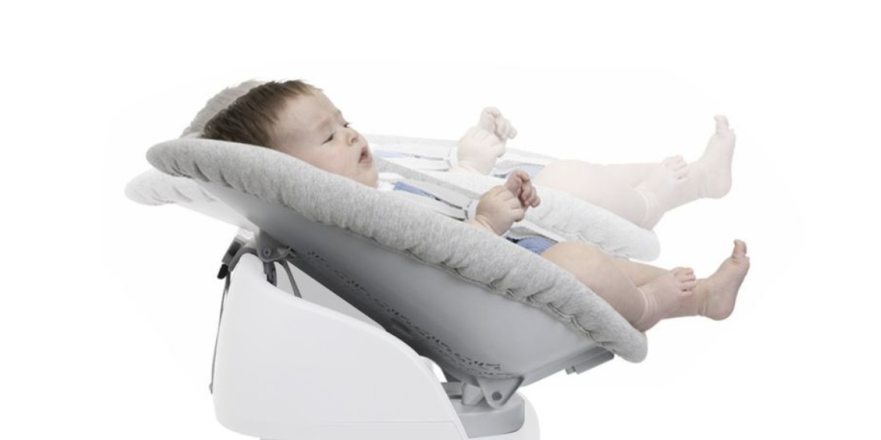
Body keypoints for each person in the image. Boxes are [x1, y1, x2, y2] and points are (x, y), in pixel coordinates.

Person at [197, 80, 749, 334]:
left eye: (344, 121)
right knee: (585, 264)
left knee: (608, 263)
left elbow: (446, 221)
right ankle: (646, 309)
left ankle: (703, 297)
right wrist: (485, 221)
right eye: (327, 137)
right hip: (504, 292)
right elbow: (435, 269)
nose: (351, 135)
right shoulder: (357, 227)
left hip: (522, 253)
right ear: (291, 178)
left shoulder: (377, 196)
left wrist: (500, 197)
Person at [400, 105, 737, 231]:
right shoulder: (381, 210)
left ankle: (700, 180)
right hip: (517, 228)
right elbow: (442, 235)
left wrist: (480, 144)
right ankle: (646, 205)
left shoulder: (386, 181)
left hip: (504, 198)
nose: (353, 137)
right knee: (569, 178)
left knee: (597, 176)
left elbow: (430, 192)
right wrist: (469, 168)